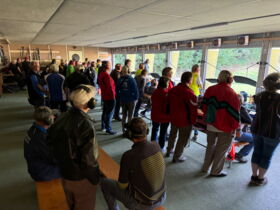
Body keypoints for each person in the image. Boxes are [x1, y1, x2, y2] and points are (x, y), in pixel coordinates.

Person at [48, 85, 100, 210]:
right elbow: (88, 159)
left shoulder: (62, 117)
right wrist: (95, 178)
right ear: (90, 103)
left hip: (65, 172)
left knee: (71, 203)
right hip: (80, 177)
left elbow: (50, 142)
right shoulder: (86, 124)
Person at [101, 118, 166, 210]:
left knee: (105, 183)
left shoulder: (129, 155)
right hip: (161, 197)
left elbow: (122, 186)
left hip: (142, 204)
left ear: (130, 134)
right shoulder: (156, 145)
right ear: (146, 131)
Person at [202, 70, 240, 177]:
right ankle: (215, 171)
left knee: (210, 146)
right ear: (230, 79)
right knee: (221, 149)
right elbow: (234, 113)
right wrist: (235, 127)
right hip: (225, 127)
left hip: (210, 125)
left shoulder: (210, 89)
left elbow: (204, 106)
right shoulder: (231, 93)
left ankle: (205, 167)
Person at [250, 72, 280, 186]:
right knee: (266, 156)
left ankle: (254, 176)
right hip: (273, 132)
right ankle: (260, 179)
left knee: (256, 152)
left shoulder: (258, 96)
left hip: (257, 128)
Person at [165, 72, 197, 162]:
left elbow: (167, 103)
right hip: (185, 120)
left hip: (173, 117)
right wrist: (193, 121)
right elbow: (193, 109)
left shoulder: (173, 90)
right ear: (190, 80)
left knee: (172, 134)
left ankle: (169, 150)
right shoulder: (189, 93)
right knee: (182, 138)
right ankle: (177, 156)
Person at [24, 106, 60, 181]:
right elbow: (54, 159)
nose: (54, 117)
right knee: (72, 168)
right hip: (43, 172)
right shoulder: (39, 138)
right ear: (47, 120)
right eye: (52, 116)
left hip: (36, 166)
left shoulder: (33, 129)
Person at [116, 67, 138, 134]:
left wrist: (121, 96)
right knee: (130, 116)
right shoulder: (131, 79)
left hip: (123, 100)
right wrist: (136, 98)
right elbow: (135, 90)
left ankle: (123, 131)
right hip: (131, 100)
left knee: (124, 115)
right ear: (128, 71)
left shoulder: (120, 79)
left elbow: (117, 90)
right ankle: (129, 131)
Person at [98, 61, 117, 135]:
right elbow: (110, 88)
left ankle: (103, 126)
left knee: (105, 112)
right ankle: (108, 128)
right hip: (110, 97)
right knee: (109, 113)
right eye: (110, 64)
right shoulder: (106, 76)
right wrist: (113, 97)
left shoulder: (101, 74)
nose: (111, 65)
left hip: (104, 96)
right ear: (107, 66)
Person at [151, 77, 170, 149]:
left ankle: (152, 146)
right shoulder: (166, 94)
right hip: (164, 116)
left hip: (155, 114)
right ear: (165, 84)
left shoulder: (155, 91)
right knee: (163, 132)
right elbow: (167, 106)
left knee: (154, 130)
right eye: (168, 83)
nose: (168, 84)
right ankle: (161, 147)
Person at [234, 94, 253, 163]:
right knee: (254, 138)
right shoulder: (241, 109)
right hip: (234, 134)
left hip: (221, 131)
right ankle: (240, 155)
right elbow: (250, 121)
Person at [190, 64, 203, 141]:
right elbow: (201, 85)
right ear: (197, 69)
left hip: (189, 94)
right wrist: (199, 86)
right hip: (195, 95)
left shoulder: (190, 75)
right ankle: (195, 133)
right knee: (195, 113)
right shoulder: (197, 76)